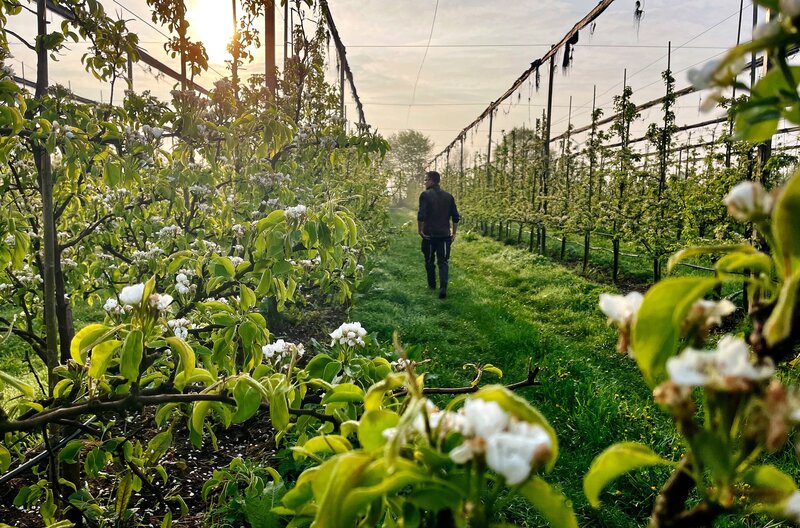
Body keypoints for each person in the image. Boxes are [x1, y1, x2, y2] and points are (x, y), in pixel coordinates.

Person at [417, 170, 460, 299]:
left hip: (429, 235)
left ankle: (432, 285)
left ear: (431, 180)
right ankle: (443, 288)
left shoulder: (425, 195)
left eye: (426, 180)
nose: (424, 182)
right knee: (443, 262)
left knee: (429, 260)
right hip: (444, 235)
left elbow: (421, 215)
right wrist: (454, 233)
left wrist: (420, 230)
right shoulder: (449, 196)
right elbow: (456, 216)